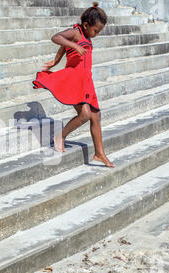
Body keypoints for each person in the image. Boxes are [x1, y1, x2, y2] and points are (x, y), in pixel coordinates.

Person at [32, 1, 115, 168]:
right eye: (95, 31)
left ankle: (99, 153)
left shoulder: (85, 35)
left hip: (86, 81)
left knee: (96, 116)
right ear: (86, 25)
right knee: (85, 115)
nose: (96, 34)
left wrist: (56, 60)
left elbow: (62, 47)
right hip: (74, 80)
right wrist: (74, 46)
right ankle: (60, 136)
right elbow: (57, 38)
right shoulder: (76, 32)